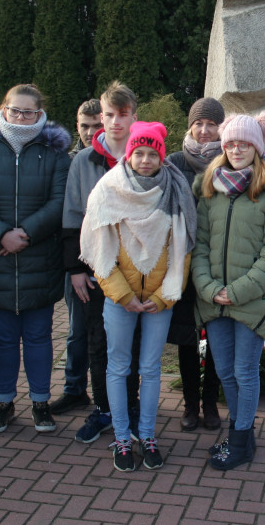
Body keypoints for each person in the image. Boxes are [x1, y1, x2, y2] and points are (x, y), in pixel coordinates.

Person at [79, 121, 196, 472]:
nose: (145, 160)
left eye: (153, 153)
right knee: (119, 366)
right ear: (129, 154)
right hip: (120, 298)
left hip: (160, 298)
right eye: (139, 153)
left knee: (150, 368)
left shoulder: (176, 189)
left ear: (162, 155)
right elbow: (100, 253)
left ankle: (147, 436)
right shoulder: (108, 190)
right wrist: (123, 295)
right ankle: (121, 438)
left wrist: (163, 297)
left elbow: (183, 253)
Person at [0, 84, 70, 434]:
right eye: (15, 110)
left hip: (39, 257)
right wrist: (0, 234)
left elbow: (60, 200)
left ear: (41, 114)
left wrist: (23, 235)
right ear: (3, 109)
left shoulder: (54, 152)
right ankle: (3, 401)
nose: (21, 118)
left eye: (29, 112)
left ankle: (40, 402)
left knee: (38, 336)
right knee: (2, 338)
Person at [191, 111, 265, 471]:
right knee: (225, 372)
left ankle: (239, 441)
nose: (237, 149)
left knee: (244, 372)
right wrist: (208, 288)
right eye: (231, 143)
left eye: (244, 143)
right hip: (213, 301)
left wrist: (234, 292)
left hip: (249, 302)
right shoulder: (210, 191)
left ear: (257, 146)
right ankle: (242, 431)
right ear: (223, 147)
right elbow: (200, 245)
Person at [61, 82, 142, 444]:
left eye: (122, 115)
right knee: (99, 340)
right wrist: (77, 269)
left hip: (138, 268)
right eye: (108, 115)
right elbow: (72, 216)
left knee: (133, 342)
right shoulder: (83, 161)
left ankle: (133, 406)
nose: (114, 122)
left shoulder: (146, 154)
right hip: (97, 268)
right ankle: (104, 408)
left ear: (133, 117)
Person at [164, 97, 225, 431]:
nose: (204, 131)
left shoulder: (229, 162)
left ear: (220, 128)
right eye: (198, 123)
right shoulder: (174, 162)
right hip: (184, 263)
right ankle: (190, 404)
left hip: (217, 264)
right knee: (187, 335)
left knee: (215, 333)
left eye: (211, 124)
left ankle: (210, 403)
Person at [50, 98, 104, 416]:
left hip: (113, 262)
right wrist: (74, 266)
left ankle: (115, 394)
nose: (89, 131)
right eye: (84, 126)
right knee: (77, 330)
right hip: (79, 262)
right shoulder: (70, 161)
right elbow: (68, 216)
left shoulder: (118, 158)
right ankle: (74, 388)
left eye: (96, 125)